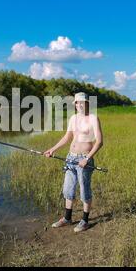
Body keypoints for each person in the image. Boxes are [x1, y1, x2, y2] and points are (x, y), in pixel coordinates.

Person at [44, 92, 103, 232]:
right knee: (68, 188)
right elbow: (67, 137)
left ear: (87, 103)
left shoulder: (93, 118)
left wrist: (87, 158)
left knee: (84, 190)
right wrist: (53, 149)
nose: (79, 105)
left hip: (84, 159)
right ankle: (67, 218)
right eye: (77, 102)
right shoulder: (73, 118)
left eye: (82, 102)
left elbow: (99, 142)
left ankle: (84, 221)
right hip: (71, 157)